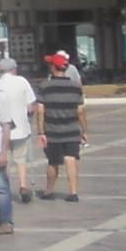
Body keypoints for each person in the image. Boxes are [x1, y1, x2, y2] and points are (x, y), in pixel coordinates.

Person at [0, 56, 41, 231]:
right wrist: (28, 114)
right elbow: (31, 105)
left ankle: (5, 186)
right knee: (21, 158)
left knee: (5, 159)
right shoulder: (22, 81)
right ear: (14, 69)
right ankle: (23, 185)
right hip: (21, 127)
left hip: (2, 129)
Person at [36, 50, 91, 202]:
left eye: (50, 64)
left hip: (52, 131)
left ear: (54, 67)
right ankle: (73, 192)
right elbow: (81, 112)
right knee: (71, 159)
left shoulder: (45, 86)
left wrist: (41, 132)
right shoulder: (75, 87)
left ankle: (49, 191)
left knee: (53, 162)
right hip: (72, 130)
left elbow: (40, 111)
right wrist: (85, 131)